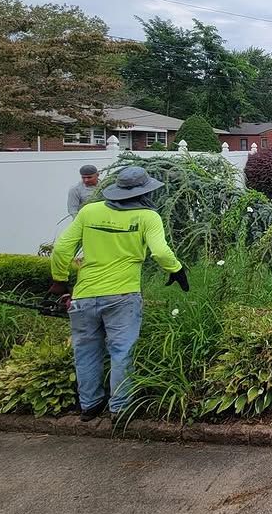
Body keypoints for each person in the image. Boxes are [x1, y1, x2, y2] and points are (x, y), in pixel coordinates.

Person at [50, 166, 189, 421]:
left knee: (85, 351)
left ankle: (89, 406)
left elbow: (62, 249)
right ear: (146, 192)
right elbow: (160, 252)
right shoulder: (148, 217)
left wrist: (60, 281)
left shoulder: (90, 211)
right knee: (122, 351)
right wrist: (177, 270)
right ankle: (120, 408)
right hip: (123, 296)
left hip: (84, 295)